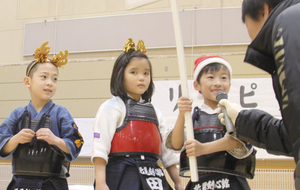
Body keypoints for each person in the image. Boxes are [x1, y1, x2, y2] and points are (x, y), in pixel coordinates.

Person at [216, 0, 300, 189]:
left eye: (247, 24)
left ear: (264, 10)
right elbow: (293, 137)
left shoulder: (289, 20)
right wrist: (243, 119)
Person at [92, 38, 184, 190]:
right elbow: (100, 148)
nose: (141, 77)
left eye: (146, 73)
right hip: (122, 172)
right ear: (120, 75)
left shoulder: (156, 112)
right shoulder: (111, 107)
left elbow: (167, 153)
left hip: (153, 173)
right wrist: (101, 183)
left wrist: (178, 182)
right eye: (134, 72)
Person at [0, 41, 84, 190]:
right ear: (27, 82)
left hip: (53, 182)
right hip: (21, 181)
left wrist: (55, 140)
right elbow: (2, 144)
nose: (50, 83)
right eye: (44, 77)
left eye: (55, 79)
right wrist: (15, 139)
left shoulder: (61, 113)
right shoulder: (17, 114)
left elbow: (76, 142)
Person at [166, 56, 256, 190]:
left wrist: (203, 149)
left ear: (230, 85)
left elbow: (236, 141)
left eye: (223, 78)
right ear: (197, 85)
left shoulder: (235, 112)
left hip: (232, 182)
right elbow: (176, 144)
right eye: (210, 77)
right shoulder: (194, 117)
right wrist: (181, 114)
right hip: (200, 182)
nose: (218, 83)